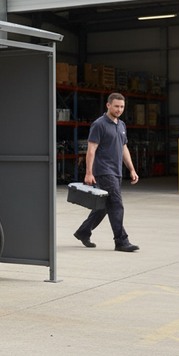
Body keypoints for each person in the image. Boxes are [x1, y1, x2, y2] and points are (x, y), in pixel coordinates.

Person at [73, 92, 140, 252]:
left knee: (103, 206)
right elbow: (91, 150)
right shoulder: (99, 124)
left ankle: (83, 232)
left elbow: (124, 148)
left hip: (116, 171)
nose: (119, 109)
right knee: (116, 204)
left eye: (122, 107)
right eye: (116, 106)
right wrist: (89, 173)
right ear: (108, 105)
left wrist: (131, 169)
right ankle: (121, 241)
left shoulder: (121, 125)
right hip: (104, 171)